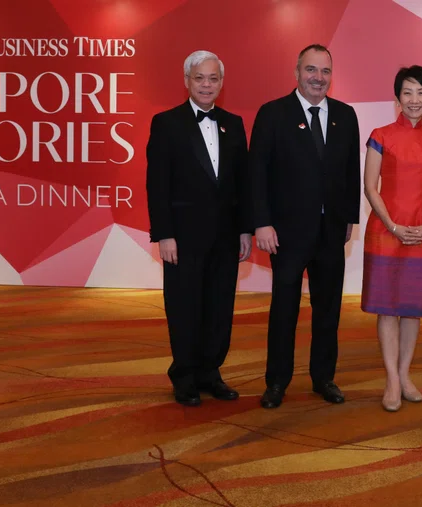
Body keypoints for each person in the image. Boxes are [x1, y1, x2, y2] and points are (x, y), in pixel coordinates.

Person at [248, 44, 361, 409]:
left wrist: (349, 219)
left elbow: (350, 173)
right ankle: (277, 381)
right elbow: (257, 174)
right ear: (297, 72)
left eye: (325, 71)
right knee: (285, 309)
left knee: (328, 309)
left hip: (331, 232)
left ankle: (323, 377)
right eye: (311, 70)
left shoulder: (345, 115)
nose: (318, 78)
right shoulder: (272, 114)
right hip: (286, 234)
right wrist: (261, 223)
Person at [145, 50, 252, 406]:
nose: (207, 85)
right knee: (184, 306)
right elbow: (157, 184)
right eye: (199, 78)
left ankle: (211, 372)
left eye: (213, 79)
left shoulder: (234, 123)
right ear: (186, 80)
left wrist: (244, 230)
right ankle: (185, 376)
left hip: (225, 237)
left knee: (220, 307)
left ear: (221, 83)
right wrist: (164, 234)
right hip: (183, 237)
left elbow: (242, 184)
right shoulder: (166, 123)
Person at [362, 65, 422, 412]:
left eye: (421, 93)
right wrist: (393, 225)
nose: (415, 100)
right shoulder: (380, 135)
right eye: (408, 92)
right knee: (387, 309)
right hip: (386, 231)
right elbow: (370, 187)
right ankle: (392, 381)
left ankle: (405, 373)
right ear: (397, 98)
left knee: (412, 310)